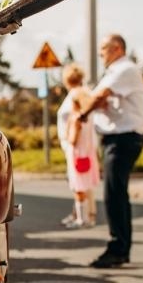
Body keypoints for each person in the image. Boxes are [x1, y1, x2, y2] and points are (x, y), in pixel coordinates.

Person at [78, 33, 143, 268]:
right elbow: (99, 99)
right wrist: (94, 104)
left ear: (117, 48)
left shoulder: (124, 69)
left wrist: (81, 116)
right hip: (117, 139)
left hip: (123, 139)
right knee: (117, 194)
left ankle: (118, 248)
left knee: (114, 195)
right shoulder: (115, 72)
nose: (100, 53)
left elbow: (98, 96)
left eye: (103, 48)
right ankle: (120, 247)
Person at [56, 63, 100, 228]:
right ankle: (81, 215)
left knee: (78, 183)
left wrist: (69, 141)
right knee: (82, 182)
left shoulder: (76, 96)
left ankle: (83, 218)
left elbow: (74, 122)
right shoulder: (86, 93)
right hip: (86, 146)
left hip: (76, 147)